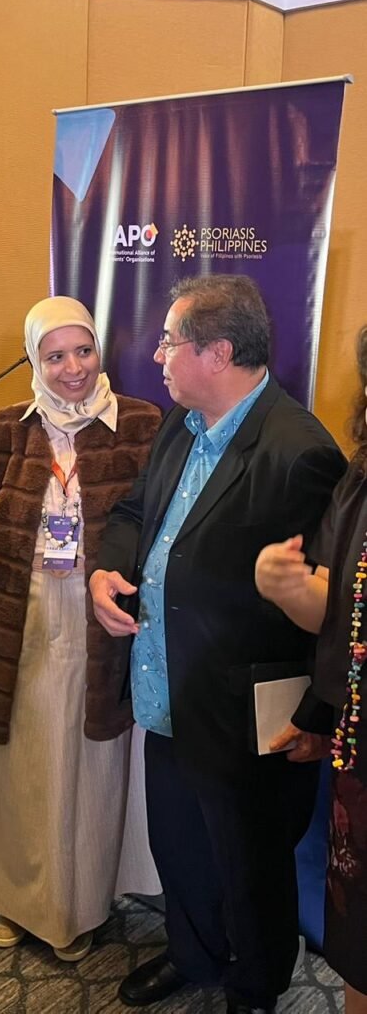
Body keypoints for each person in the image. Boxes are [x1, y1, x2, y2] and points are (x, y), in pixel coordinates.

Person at [90, 274, 347, 1014]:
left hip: (242, 714)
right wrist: (108, 570)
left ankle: (254, 987)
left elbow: (327, 607)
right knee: (179, 845)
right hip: (165, 690)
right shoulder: (182, 422)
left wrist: (318, 714)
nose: (157, 355)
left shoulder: (300, 452)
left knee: (249, 864)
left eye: (170, 341)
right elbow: (134, 512)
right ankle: (192, 953)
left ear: (219, 352)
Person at [0, 296, 162, 962]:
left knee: (93, 765)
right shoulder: (6, 430)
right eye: (55, 356)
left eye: (83, 351)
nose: (73, 368)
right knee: (23, 765)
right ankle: (20, 899)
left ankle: (80, 904)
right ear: (33, 360)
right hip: (22, 618)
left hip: (103, 627)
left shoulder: (141, 423)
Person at [255, 326, 367, 1014]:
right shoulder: (359, 477)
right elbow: (337, 610)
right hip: (360, 752)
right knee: (358, 930)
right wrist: (287, 585)